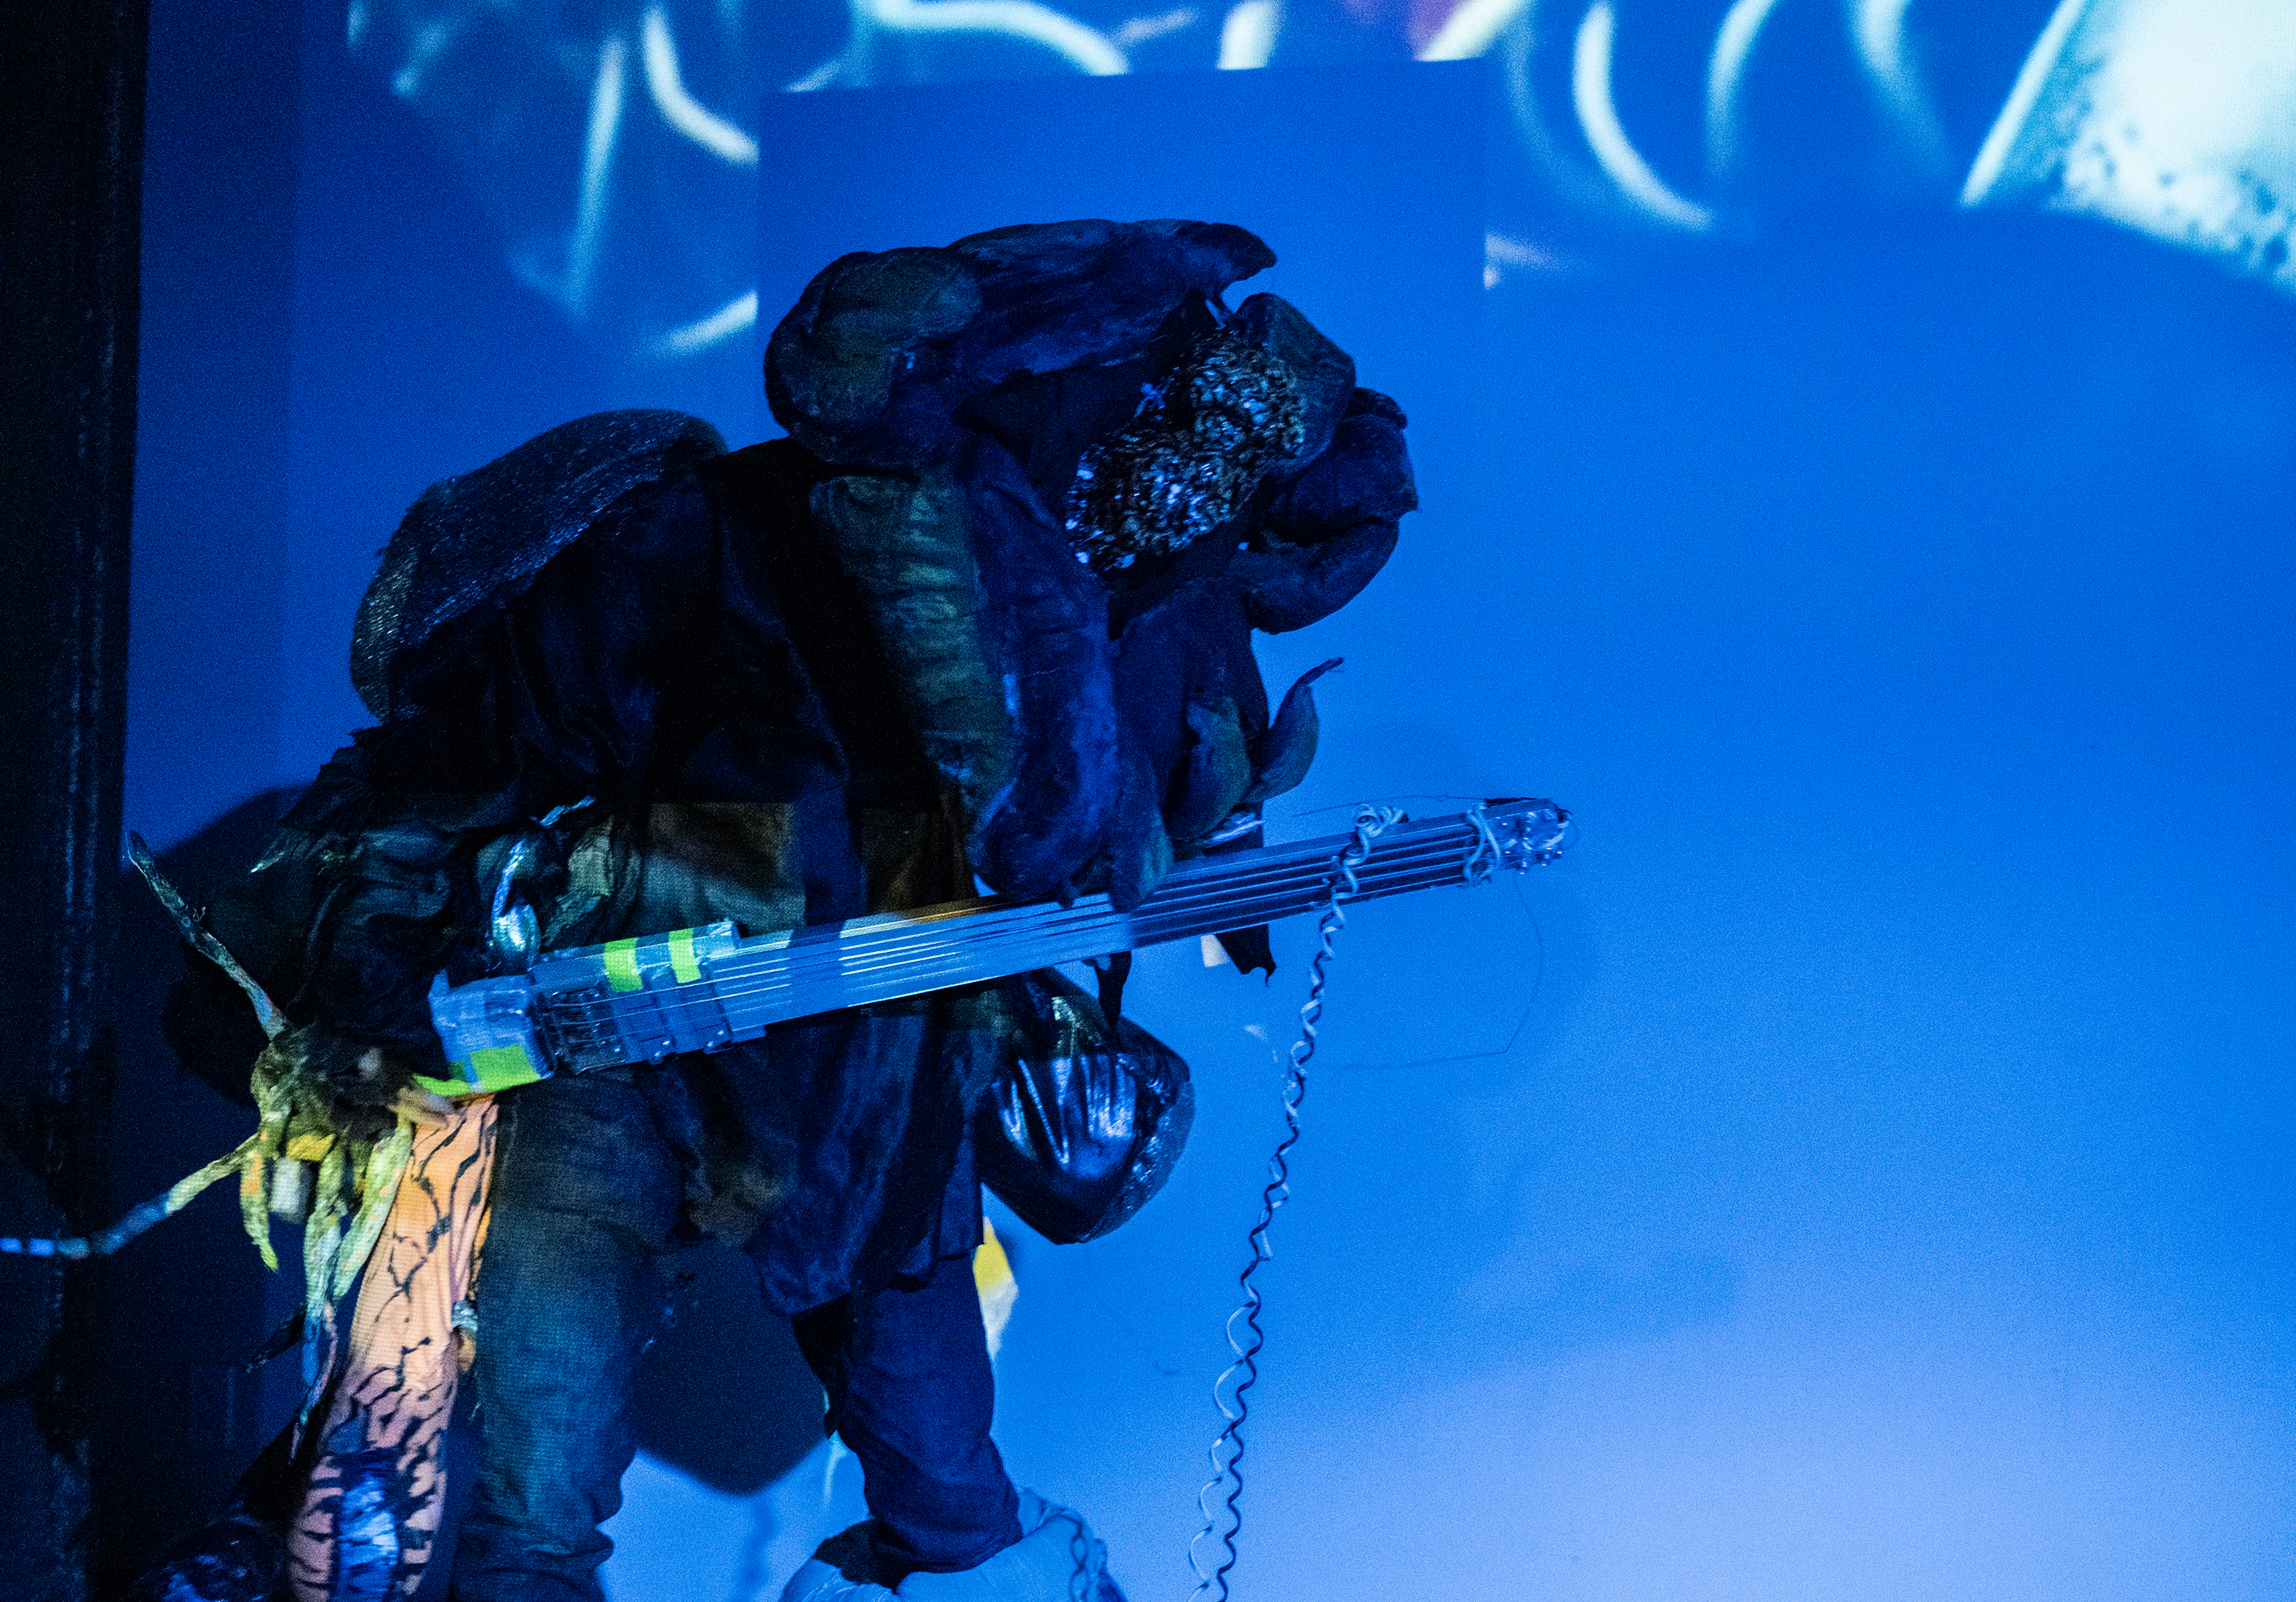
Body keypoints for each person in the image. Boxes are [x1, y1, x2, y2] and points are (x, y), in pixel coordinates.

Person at [148, 217, 1416, 1601]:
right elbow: (484, 747)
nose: (1181, 483)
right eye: (1177, 427)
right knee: (537, 1483)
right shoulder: (728, 530)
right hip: (616, 1032)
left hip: (879, 1072)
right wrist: (391, 957)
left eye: (1235, 465)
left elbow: (1092, 846)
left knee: (944, 1489)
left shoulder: (1166, 628)